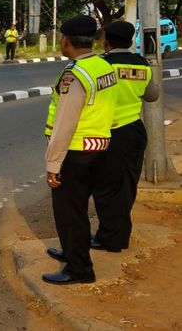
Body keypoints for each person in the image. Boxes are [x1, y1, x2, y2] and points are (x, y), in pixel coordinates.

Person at [42, 15, 118, 285]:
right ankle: (73, 251)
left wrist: (53, 164)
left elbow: (64, 124)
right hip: (100, 146)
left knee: (69, 212)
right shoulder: (102, 66)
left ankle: (79, 269)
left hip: (75, 152)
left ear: (65, 40)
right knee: (80, 208)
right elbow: (111, 107)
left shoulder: (75, 75)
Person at [92, 21, 158, 251]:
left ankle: (109, 238)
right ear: (130, 42)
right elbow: (152, 96)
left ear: (106, 40)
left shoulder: (101, 64)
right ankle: (119, 236)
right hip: (134, 130)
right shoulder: (143, 64)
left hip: (109, 132)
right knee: (127, 186)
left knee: (105, 187)